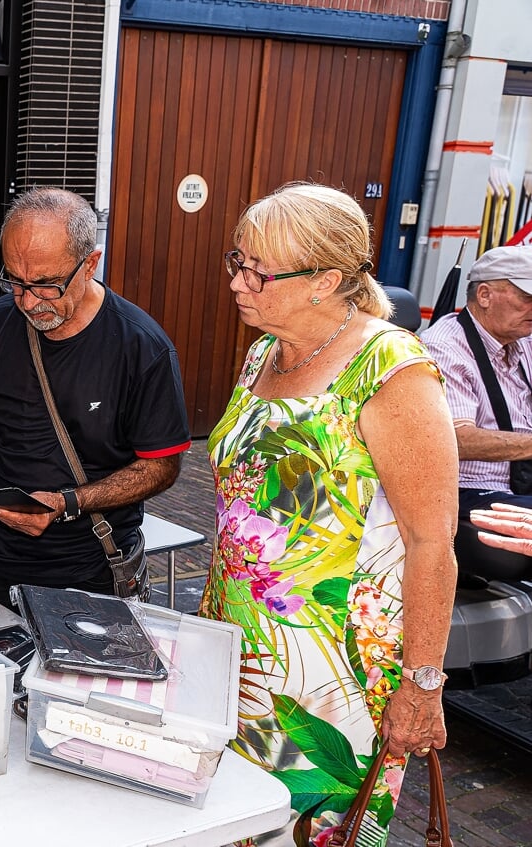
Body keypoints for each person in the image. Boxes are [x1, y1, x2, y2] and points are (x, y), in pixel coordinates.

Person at [201, 182, 457, 846]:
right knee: (229, 822)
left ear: (326, 281)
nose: (236, 281)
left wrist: (421, 684)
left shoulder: (389, 369)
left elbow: (431, 541)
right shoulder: (263, 354)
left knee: (301, 828)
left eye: (257, 269)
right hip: (240, 645)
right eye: (236, 260)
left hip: (326, 670)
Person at [0, 187, 191, 608]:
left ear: (90, 263)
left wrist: (68, 503)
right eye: (14, 281)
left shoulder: (141, 347)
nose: (28, 302)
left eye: (46, 285)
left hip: (90, 575)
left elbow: (160, 467)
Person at [421, 246, 532, 520]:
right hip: (469, 489)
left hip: (520, 485)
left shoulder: (523, 340)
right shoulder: (444, 347)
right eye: (527, 297)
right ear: (484, 295)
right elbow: (455, 439)